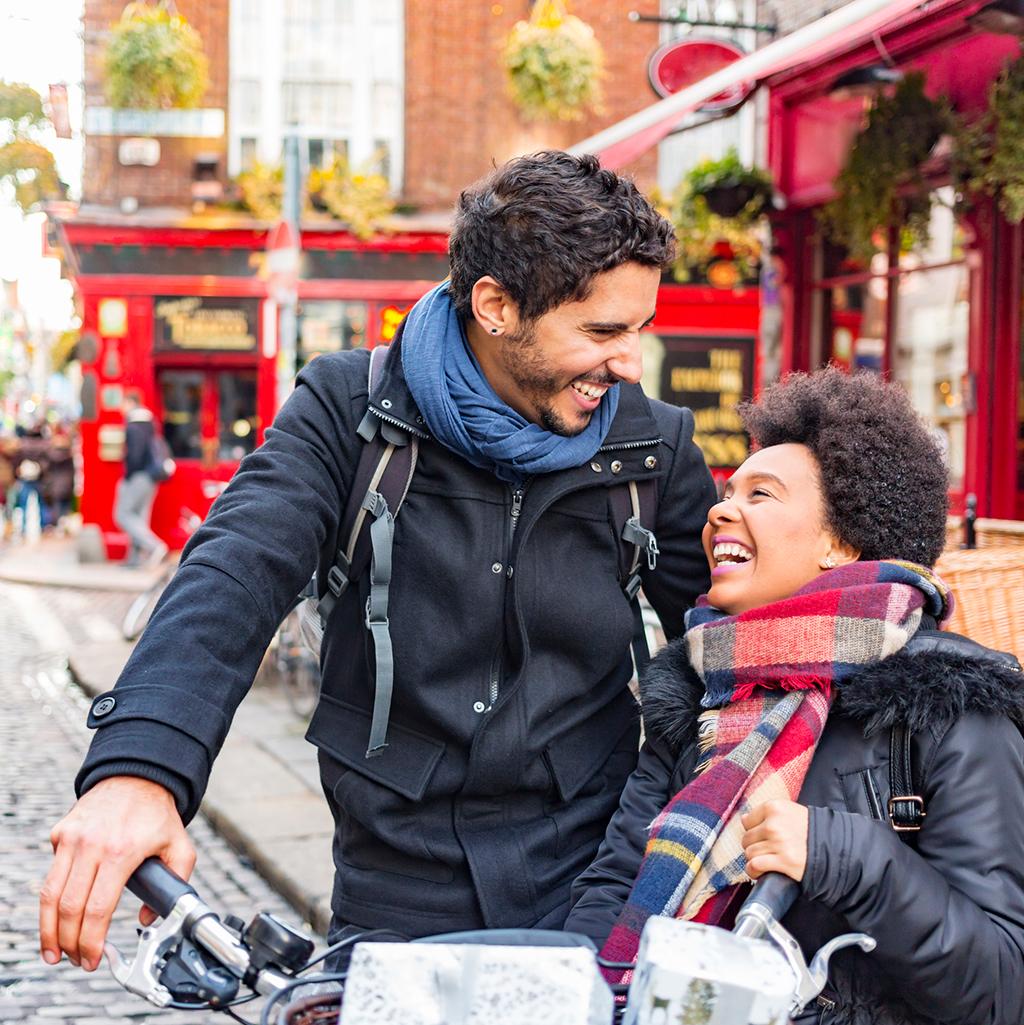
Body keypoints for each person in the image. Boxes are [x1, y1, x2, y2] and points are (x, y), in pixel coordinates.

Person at [40, 151, 718, 973]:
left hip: (595, 867)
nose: (629, 362)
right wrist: (141, 768)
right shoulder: (349, 410)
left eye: (639, 327)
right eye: (603, 330)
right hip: (395, 885)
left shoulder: (652, 444)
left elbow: (731, 637)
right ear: (496, 307)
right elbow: (235, 568)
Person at [565, 368, 1024, 1024]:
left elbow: (1002, 986)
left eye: (761, 493)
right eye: (727, 493)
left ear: (838, 541)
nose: (723, 510)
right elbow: (615, 887)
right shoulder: (695, 689)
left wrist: (844, 855)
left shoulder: (950, 703)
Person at [114, 390, 168, 568]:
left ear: (130, 402)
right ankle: (134, 560)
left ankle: (155, 546)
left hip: (139, 476)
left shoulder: (133, 426)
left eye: (123, 403)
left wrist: (127, 476)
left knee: (122, 514)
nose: (121, 408)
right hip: (152, 476)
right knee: (140, 516)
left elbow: (135, 456)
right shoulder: (149, 423)